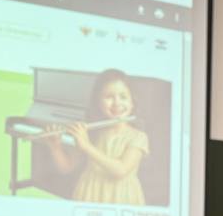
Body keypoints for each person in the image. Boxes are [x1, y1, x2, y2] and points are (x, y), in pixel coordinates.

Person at [43, 69, 149, 204]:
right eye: (109, 97)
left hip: (121, 197)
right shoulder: (91, 132)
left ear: (132, 102)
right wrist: (55, 147)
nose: (117, 103)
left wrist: (86, 146)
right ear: (98, 102)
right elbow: (66, 168)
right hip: (89, 193)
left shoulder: (138, 137)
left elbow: (121, 170)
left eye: (123, 97)